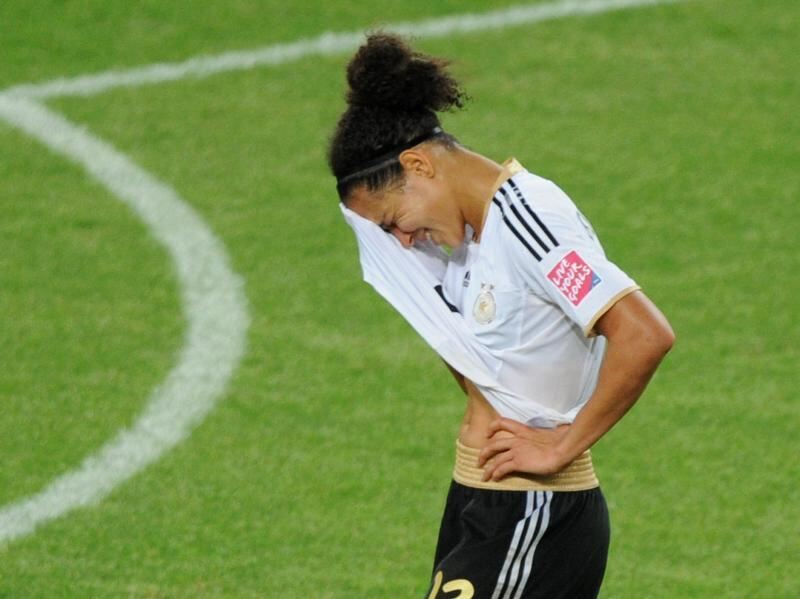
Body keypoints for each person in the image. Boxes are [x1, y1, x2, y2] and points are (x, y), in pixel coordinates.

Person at [328, 33, 674, 599]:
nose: (402, 241)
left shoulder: (530, 221)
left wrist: (561, 446)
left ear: (418, 164)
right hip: (481, 499)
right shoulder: (465, 242)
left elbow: (643, 333)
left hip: (532, 514)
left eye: (393, 221)